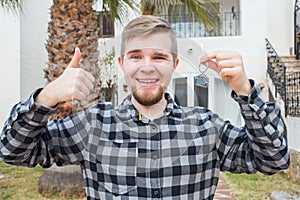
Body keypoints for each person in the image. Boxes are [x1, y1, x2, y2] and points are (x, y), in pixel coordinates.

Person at [0, 15, 289, 199]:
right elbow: (13, 152)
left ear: (175, 65)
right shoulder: (92, 125)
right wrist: (45, 97)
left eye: (159, 57)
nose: (147, 67)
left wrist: (244, 90)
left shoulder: (206, 127)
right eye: (136, 56)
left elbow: (273, 159)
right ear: (122, 63)